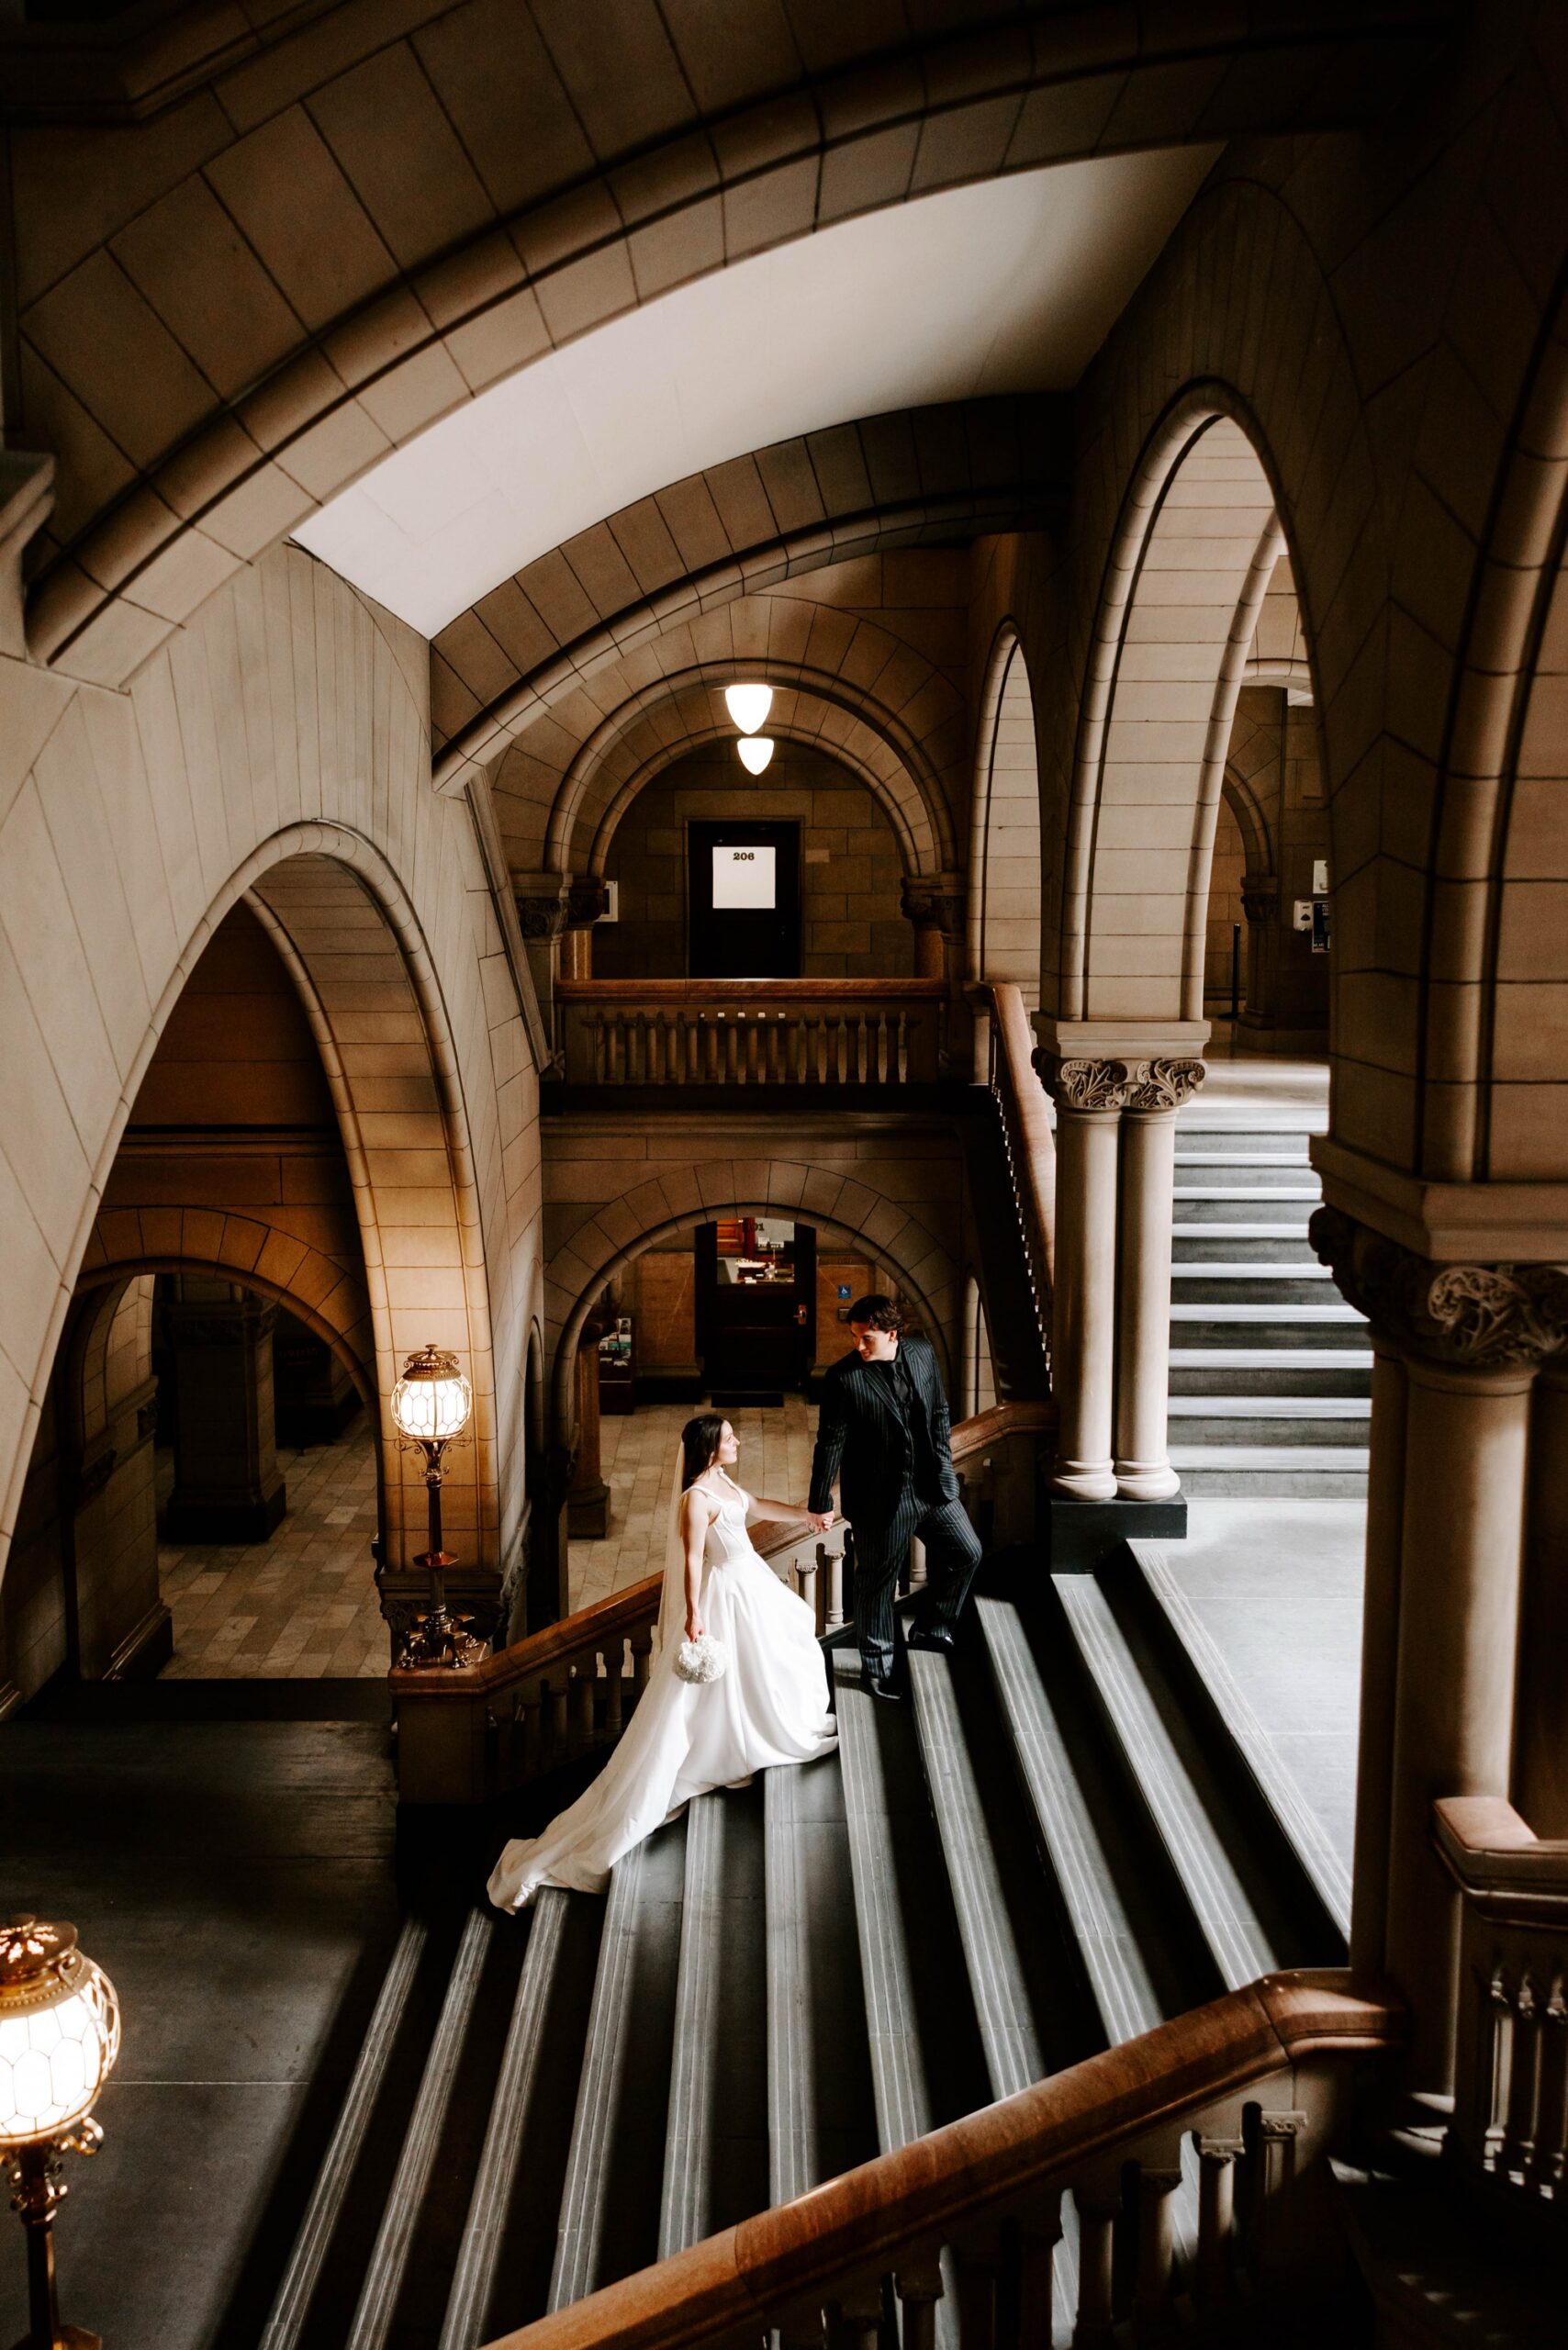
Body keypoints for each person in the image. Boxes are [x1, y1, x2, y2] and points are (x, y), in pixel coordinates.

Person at [487, 1413, 835, 1910]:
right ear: (710, 1448)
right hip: (725, 1595)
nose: (738, 1441)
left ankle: (755, 1731)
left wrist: (804, 1516)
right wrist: (695, 1615)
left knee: (777, 1653)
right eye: (730, 1438)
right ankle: (732, 1745)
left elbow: (756, 1506)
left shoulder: (722, 1481)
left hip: (750, 1584)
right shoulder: (695, 1499)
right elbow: (693, 1558)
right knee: (728, 1680)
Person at [806, 1295, 981, 1702]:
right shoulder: (843, 1378)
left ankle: (932, 1628)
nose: (858, 1346)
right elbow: (829, 1443)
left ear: (892, 1334)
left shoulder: (921, 1352)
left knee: (967, 1552)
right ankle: (878, 1667)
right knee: (876, 1586)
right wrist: (820, 1501)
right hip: (881, 1499)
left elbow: (939, 1412)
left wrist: (943, 1467)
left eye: (866, 1338)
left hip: (931, 1489)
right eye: (854, 1337)